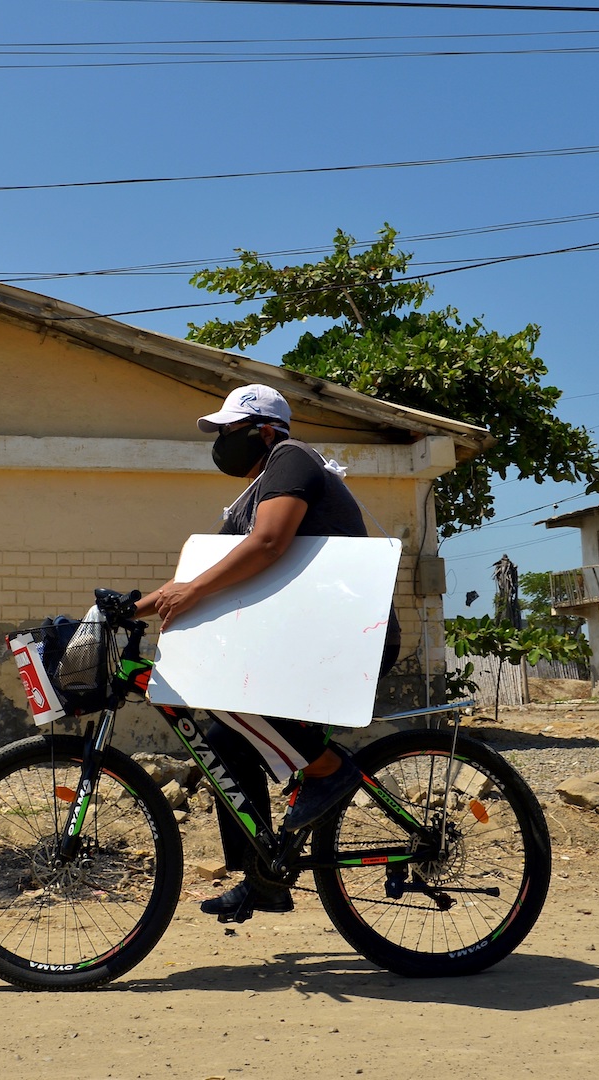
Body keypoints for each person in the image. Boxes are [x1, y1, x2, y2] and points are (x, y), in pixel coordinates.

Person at [134, 383, 400, 918]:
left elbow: (271, 544)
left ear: (264, 429)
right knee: (223, 742)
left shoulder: (292, 459)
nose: (220, 442)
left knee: (228, 699)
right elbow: (199, 577)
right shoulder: (249, 499)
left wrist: (191, 592)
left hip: (348, 637)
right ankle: (265, 879)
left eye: (228, 431)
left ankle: (329, 770)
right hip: (306, 642)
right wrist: (129, 609)